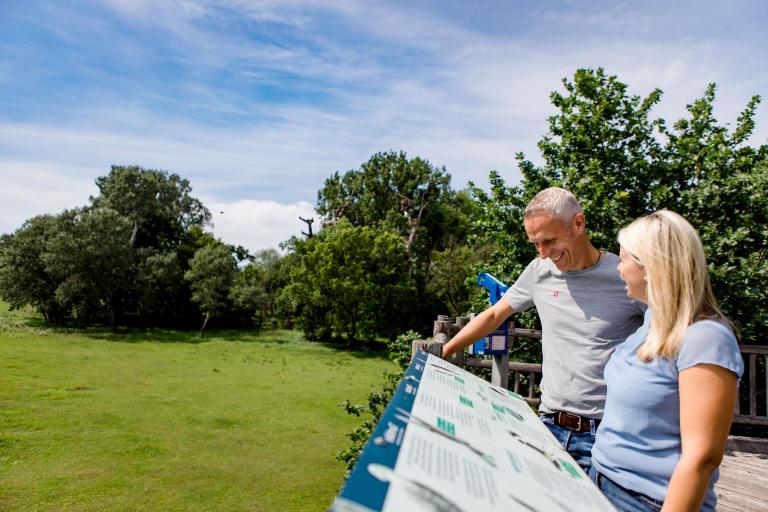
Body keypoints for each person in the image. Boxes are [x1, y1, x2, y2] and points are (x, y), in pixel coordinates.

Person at [442, 187, 645, 473]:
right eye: (535, 244)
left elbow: (668, 334)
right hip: (549, 426)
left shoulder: (624, 275)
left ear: (578, 224)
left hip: (606, 432)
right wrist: (445, 351)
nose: (543, 253)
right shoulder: (539, 271)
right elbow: (494, 315)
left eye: (549, 241)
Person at [590, 210, 743, 512]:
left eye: (623, 259)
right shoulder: (651, 322)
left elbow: (702, 458)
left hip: (647, 501)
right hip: (602, 483)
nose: (618, 268)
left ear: (650, 266)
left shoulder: (705, 338)